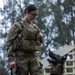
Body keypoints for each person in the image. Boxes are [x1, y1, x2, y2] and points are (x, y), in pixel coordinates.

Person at [6, 4, 43, 75]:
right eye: (33, 14)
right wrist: (11, 60)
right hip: (21, 59)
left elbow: (39, 41)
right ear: (27, 12)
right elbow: (9, 42)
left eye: (36, 15)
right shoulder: (17, 25)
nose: (34, 17)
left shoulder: (35, 27)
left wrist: (40, 37)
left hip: (34, 57)